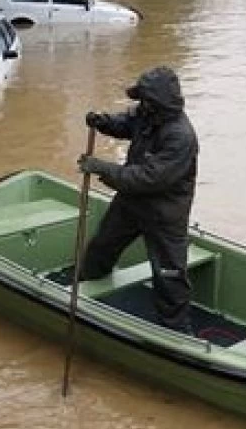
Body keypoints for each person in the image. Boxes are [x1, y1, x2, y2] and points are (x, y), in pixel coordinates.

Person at [73, 66, 201, 334]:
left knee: (169, 275)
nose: (141, 105)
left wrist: (100, 168)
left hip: (165, 214)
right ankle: (84, 290)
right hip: (131, 203)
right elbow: (126, 124)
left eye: (146, 100)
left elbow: (146, 178)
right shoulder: (148, 115)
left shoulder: (180, 136)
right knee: (101, 248)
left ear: (159, 103)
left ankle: (176, 332)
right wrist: (103, 121)